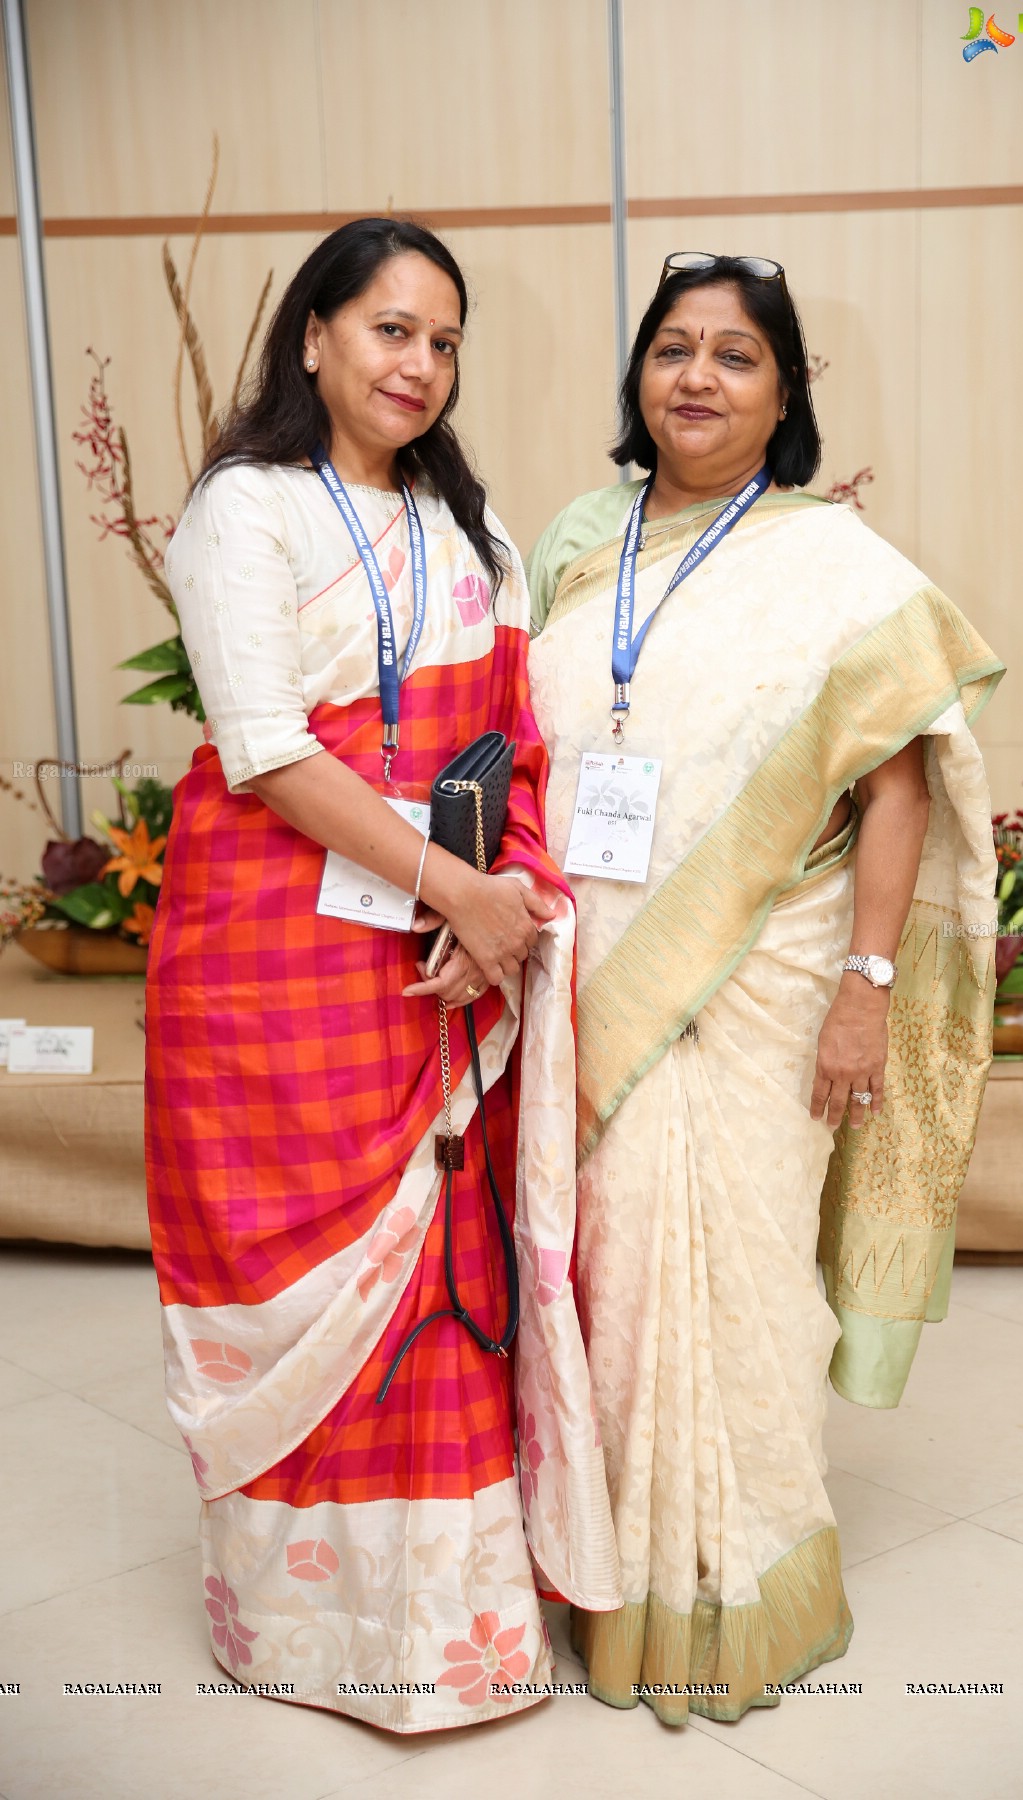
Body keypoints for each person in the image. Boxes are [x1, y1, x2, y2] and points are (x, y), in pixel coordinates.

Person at [146, 217, 619, 1733]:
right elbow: (271, 752)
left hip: (436, 955)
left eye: (443, 340)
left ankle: (450, 1626)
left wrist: (507, 896)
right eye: (390, 329)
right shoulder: (248, 509)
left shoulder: (463, 530)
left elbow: (512, 747)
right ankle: (310, 1631)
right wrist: (462, 890)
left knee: (442, 1261)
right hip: (279, 966)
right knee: (313, 1263)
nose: (419, 364)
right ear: (314, 339)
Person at [525, 252, 1004, 1724]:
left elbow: (902, 784)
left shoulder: (837, 563)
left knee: (738, 1278)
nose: (698, 378)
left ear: (785, 390)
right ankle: (604, 1567)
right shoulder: (575, 542)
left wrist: (866, 984)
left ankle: (741, 1582)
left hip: (772, 980)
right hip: (584, 973)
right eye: (673, 348)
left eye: (737, 355)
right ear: (638, 376)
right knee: (596, 1273)